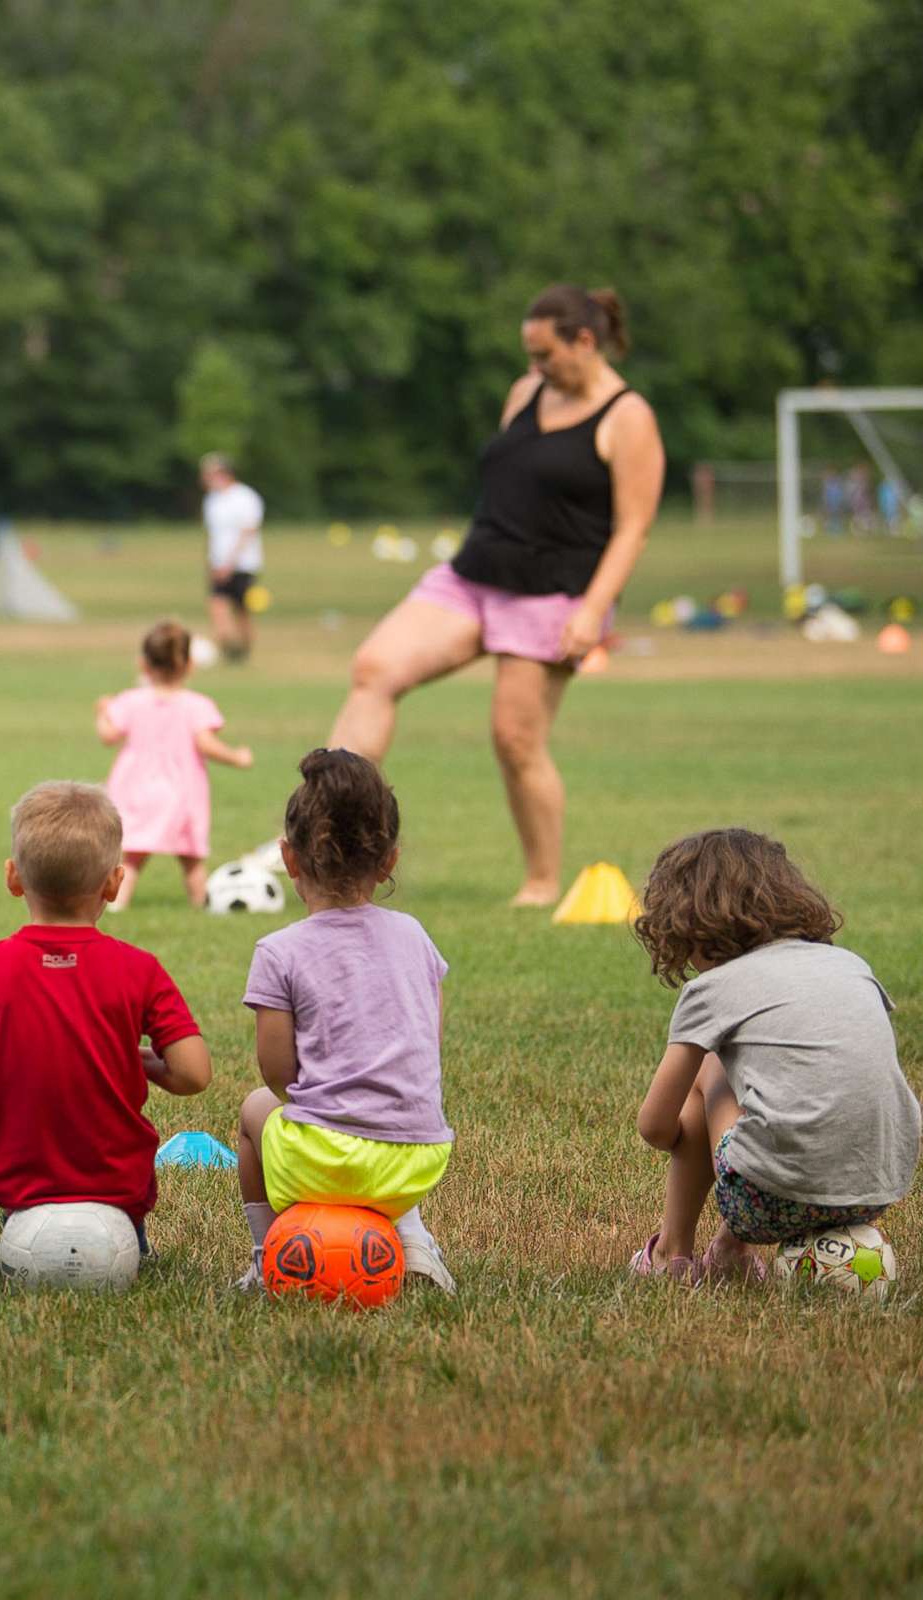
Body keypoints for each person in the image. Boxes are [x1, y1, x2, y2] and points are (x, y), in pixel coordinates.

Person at [326, 283, 663, 907]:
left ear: (584, 342)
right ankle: (330, 835)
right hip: (474, 575)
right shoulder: (526, 393)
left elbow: (633, 527)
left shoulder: (628, 417)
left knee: (515, 739)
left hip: (554, 595)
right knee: (374, 668)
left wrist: (593, 612)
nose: (536, 368)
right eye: (531, 355)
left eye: (545, 354)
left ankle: (539, 884)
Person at [627, 829, 918, 1284]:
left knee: (711, 1070)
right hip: (877, 1190)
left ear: (687, 923)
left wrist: (690, 1137)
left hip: (764, 1202)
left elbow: (655, 1127)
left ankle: (672, 1253)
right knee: (791, 1090)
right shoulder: (850, 964)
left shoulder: (711, 989)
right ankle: (727, 1251)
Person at [0, 782, 209, 1254]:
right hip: (117, 1190)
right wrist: (141, 1060)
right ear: (114, 882)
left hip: (18, 1187)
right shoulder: (139, 969)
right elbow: (193, 1073)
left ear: (13, 877)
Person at [233, 750, 456, 1292]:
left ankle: (269, 1255)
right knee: (376, 1127)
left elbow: (277, 1074)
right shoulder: (415, 938)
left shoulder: (279, 951)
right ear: (389, 861)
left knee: (254, 1110)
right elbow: (429, 1040)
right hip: (419, 1161)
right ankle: (413, 1239)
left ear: (288, 859)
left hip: (322, 1167)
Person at [97, 620, 253, 908]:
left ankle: (116, 906)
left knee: (132, 856)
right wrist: (237, 757)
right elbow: (207, 744)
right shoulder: (197, 705)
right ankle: (201, 906)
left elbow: (108, 735)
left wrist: (104, 712)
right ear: (189, 665)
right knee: (191, 860)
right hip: (182, 793)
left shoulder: (130, 701)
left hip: (137, 790)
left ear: (143, 664)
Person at [198, 454, 265, 663]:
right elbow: (212, 535)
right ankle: (227, 648)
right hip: (218, 564)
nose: (206, 479)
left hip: (243, 563)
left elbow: (248, 531)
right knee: (216, 604)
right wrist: (212, 562)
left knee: (241, 610)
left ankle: (245, 649)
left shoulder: (245, 497)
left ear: (224, 474)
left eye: (211, 474)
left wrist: (230, 562)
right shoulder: (211, 500)